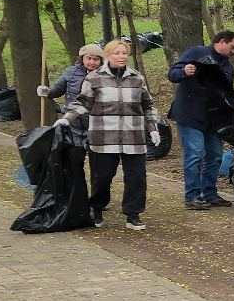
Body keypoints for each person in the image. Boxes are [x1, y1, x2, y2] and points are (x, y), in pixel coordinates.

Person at [57, 39, 159, 230]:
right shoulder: (94, 78)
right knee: (102, 176)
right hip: (104, 137)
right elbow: (82, 102)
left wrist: (152, 128)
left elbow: (147, 105)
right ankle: (97, 207)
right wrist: (67, 119)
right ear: (108, 56)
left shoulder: (137, 78)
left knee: (136, 177)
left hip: (133, 136)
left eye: (124, 53)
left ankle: (133, 213)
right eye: (116, 53)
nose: (121, 57)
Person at [168, 30, 234, 209]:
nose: (233, 52)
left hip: (213, 117)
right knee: (194, 154)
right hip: (190, 114)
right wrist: (185, 71)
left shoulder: (228, 67)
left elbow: (226, 93)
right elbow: (173, 73)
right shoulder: (196, 53)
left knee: (215, 155)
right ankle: (192, 196)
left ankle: (209, 193)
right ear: (221, 42)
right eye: (232, 47)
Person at [37, 44, 104, 148]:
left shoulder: (105, 76)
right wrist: (46, 91)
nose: (91, 62)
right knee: (74, 159)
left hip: (96, 127)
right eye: (88, 58)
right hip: (73, 126)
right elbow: (57, 90)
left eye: (95, 59)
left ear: (101, 61)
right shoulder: (71, 72)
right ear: (82, 58)